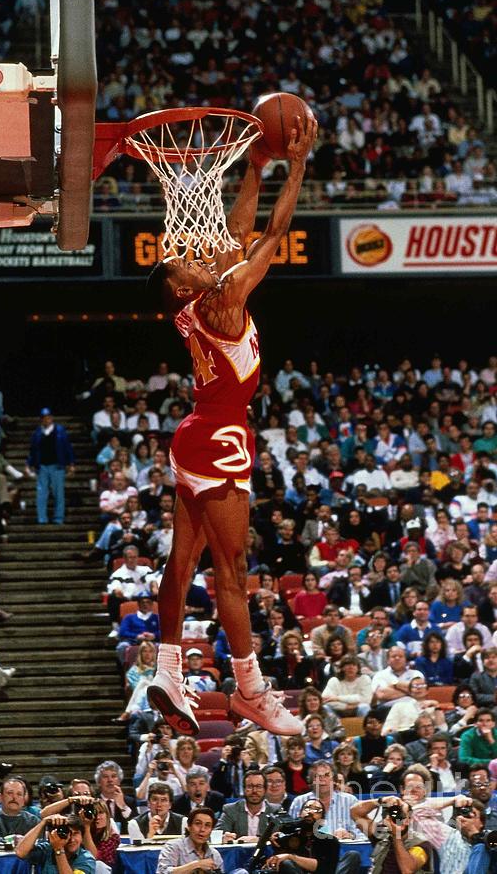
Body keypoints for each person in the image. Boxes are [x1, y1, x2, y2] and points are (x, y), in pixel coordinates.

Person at [146, 111, 318, 736]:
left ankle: (166, 667)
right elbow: (271, 232)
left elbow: (236, 228)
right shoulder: (220, 300)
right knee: (233, 572)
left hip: (195, 434)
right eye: (182, 265)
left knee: (182, 560)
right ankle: (250, 689)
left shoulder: (200, 299)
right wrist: (294, 168)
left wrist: (254, 165)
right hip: (219, 436)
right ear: (180, 287)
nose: (191, 257)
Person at [350, 795, 432, 874]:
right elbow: (355, 813)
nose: (396, 817)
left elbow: (407, 870)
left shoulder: (421, 844)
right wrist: (380, 801)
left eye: (400, 814)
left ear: (409, 820)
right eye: (393, 813)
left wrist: (397, 836)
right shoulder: (382, 834)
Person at [259, 797, 341, 874]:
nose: (310, 812)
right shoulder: (286, 839)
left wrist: (290, 857)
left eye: (317, 810)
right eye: (307, 808)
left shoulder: (330, 841)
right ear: (300, 814)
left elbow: (325, 869)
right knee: (286, 863)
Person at [289, 759, 363, 839]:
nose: (322, 779)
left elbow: (363, 833)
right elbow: (290, 831)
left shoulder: (350, 801)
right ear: (311, 781)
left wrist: (351, 835)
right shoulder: (299, 802)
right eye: (317, 776)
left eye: (327, 775)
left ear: (334, 780)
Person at [26, 408, 75, 525]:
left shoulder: (60, 431)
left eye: (48, 417)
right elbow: (33, 450)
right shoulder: (37, 433)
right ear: (41, 419)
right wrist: (29, 464)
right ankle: (42, 518)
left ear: (52, 418)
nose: (46, 420)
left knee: (58, 493)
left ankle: (58, 518)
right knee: (41, 493)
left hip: (57, 465)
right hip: (42, 466)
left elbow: (67, 447)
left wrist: (71, 463)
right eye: (43, 418)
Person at [15, 812, 98, 874]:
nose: (71, 839)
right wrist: (43, 823)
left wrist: (59, 849)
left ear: (82, 836)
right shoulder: (47, 849)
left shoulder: (86, 859)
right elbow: (20, 852)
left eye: (75, 834)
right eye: (67, 834)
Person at [215, 768, 280, 842]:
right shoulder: (230, 810)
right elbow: (217, 835)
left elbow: (279, 837)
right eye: (250, 786)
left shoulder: (275, 811)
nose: (254, 791)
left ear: (265, 789)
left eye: (258, 786)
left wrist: (258, 840)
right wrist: (223, 837)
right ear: (244, 789)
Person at [156, 807, 223, 874]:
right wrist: (196, 865)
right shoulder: (173, 847)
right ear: (189, 826)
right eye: (198, 823)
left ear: (211, 830)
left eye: (207, 825)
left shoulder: (214, 855)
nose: (202, 829)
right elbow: (163, 872)